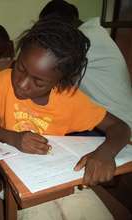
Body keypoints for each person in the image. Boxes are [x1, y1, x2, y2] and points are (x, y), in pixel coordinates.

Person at [0, 17, 130, 220]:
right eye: (20, 68)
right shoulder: (2, 81)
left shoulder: (70, 99)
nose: (21, 84)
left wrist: (105, 154)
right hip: (18, 180)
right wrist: (14, 138)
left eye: (38, 82)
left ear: (61, 81)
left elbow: (120, 127)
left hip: (61, 177)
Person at [39, 0, 132, 139]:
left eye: (51, 29)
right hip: (114, 119)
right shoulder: (94, 33)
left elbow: (49, 74)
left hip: (117, 127)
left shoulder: (82, 39)